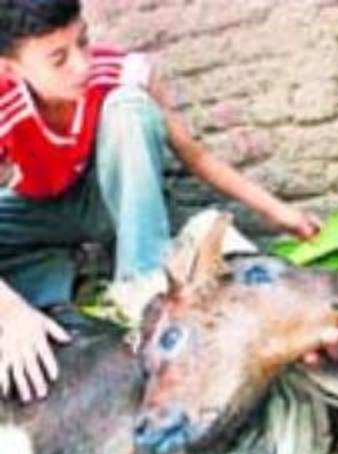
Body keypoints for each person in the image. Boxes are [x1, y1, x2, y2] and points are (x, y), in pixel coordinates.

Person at [0, 0, 321, 403]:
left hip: (106, 202)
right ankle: (44, 294)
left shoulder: (118, 73)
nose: (81, 65)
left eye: (84, 42)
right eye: (58, 59)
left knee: (129, 105)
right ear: (11, 68)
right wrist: (8, 312)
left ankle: (141, 288)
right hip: (37, 214)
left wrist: (279, 212)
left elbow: (195, 154)